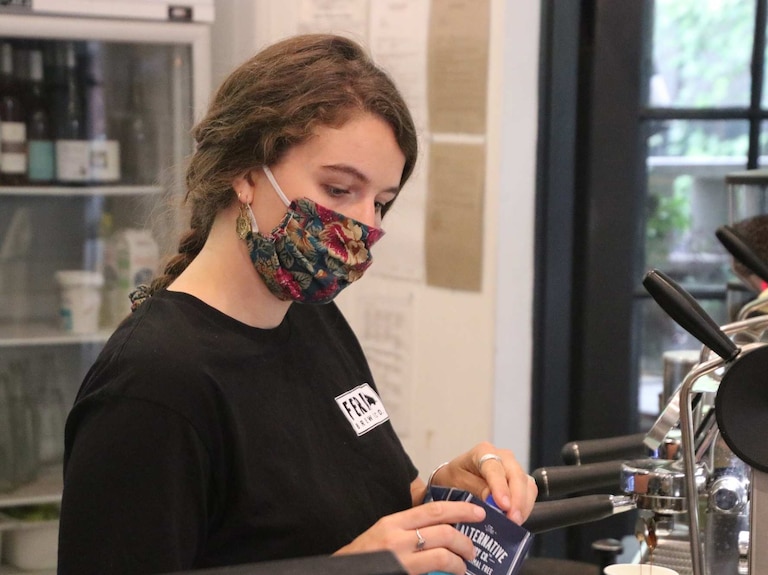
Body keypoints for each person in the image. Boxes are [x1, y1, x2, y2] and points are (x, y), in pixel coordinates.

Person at [58, 33, 537, 575]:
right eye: (338, 190)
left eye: (381, 202)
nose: (366, 225)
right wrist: (348, 570)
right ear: (244, 173)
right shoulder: (153, 384)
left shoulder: (313, 318)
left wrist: (445, 493)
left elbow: (362, 503)